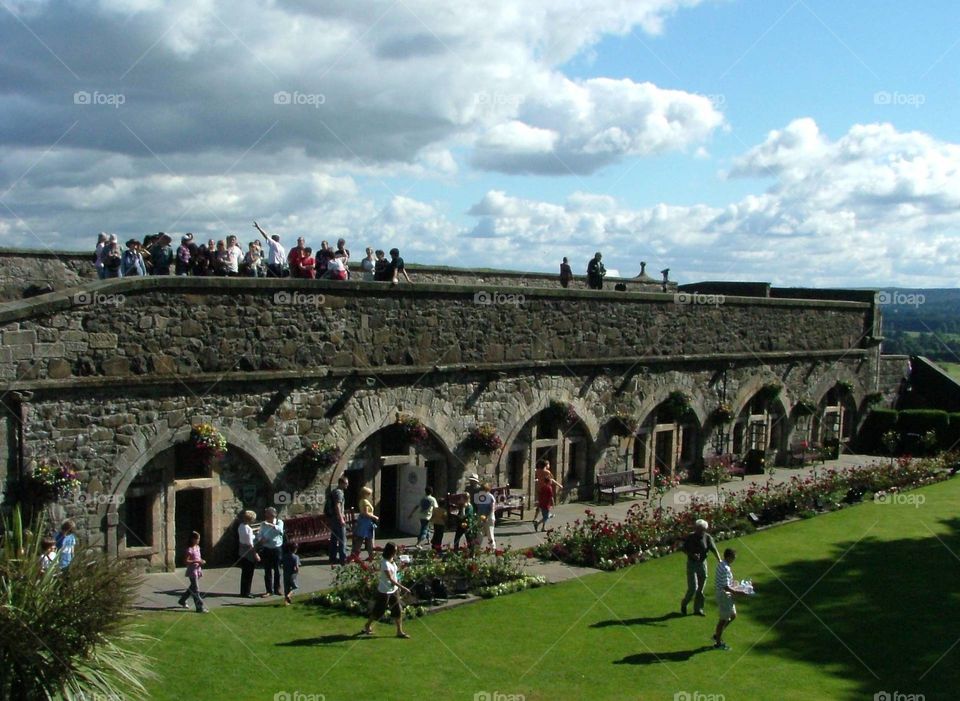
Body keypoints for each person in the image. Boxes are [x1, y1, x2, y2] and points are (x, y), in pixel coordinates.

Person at [359, 542, 411, 639]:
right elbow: (390, 579)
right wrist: (404, 588)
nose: (396, 552)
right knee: (379, 611)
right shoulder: (385, 564)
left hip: (393, 590)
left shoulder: (392, 561)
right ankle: (367, 625)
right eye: (395, 550)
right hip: (384, 591)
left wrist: (402, 568)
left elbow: (395, 573)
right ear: (390, 551)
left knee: (397, 610)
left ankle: (399, 631)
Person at [681, 518, 722, 617]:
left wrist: (719, 560)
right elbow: (683, 549)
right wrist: (691, 555)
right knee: (693, 588)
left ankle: (698, 609)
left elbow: (714, 549)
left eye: (701, 529)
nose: (698, 531)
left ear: (705, 529)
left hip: (702, 564)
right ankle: (684, 603)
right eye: (697, 529)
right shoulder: (690, 537)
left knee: (701, 589)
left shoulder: (707, 538)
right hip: (692, 564)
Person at [713, 548, 746, 650]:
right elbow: (725, 587)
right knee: (723, 620)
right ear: (728, 557)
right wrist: (739, 592)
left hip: (725, 595)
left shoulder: (722, 564)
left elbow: (727, 582)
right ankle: (718, 642)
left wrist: (736, 585)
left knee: (733, 615)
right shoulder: (725, 568)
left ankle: (717, 635)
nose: (734, 560)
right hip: (724, 596)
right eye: (733, 558)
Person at [177, 531, 209, 613]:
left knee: (192, 588)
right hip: (192, 571)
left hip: (197, 569)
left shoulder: (197, 547)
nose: (198, 540)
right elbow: (186, 561)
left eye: (199, 539)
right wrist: (196, 561)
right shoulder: (189, 549)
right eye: (197, 539)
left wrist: (201, 561)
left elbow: (198, 558)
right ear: (192, 539)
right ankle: (199, 607)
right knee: (196, 590)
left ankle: (182, 600)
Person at [257, 507, 284, 596]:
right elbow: (259, 534)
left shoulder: (279, 522)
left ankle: (277, 589)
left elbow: (280, 530)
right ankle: (269, 590)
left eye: (269, 515)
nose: (267, 516)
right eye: (266, 515)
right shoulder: (263, 524)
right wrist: (261, 539)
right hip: (267, 548)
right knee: (267, 570)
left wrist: (271, 525)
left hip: (276, 548)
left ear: (273, 515)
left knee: (277, 570)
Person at [453, 473, 482, 550]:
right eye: (471, 480)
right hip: (468, 507)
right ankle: (460, 547)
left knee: (470, 531)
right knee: (461, 533)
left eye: (473, 481)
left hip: (474, 508)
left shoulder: (479, 489)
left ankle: (472, 547)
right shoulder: (468, 488)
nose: (472, 482)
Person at [325, 475, 349, 566]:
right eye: (346, 483)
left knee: (334, 539)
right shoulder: (339, 493)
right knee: (342, 539)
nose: (347, 485)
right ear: (341, 483)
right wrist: (341, 519)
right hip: (337, 519)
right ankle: (343, 559)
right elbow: (337, 506)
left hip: (332, 519)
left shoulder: (334, 491)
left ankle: (332, 558)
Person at [237, 509, 260, 598]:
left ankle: (243, 591)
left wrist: (254, 532)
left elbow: (246, 537)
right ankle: (247, 592)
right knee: (249, 574)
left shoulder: (241, 526)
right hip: (248, 553)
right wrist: (256, 554)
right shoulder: (248, 529)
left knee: (244, 573)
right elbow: (250, 544)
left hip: (242, 550)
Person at [352, 486, 378, 561]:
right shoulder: (365, 502)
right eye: (369, 494)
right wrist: (374, 517)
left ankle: (357, 555)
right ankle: (370, 555)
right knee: (366, 539)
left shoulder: (361, 501)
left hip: (363, 521)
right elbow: (365, 513)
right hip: (366, 522)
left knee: (362, 539)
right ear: (365, 494)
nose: (370, 495)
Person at [474, 482, 496, 550]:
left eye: (483, 489)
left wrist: (486, 516)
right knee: (480, 533)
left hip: (488, 518)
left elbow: (492, 508)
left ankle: (492, 548)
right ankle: (477, 548)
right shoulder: (479, 497)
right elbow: (477, 506)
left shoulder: (490, 497)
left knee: (488, 533)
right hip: (482, 517)